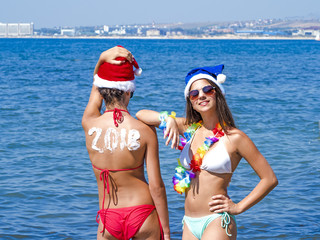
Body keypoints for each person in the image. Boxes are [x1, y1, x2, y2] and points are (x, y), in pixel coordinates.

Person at [136, 64, 278, 239]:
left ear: (218, 93)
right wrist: (168, 119)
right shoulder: (189, 128)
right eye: (194, 94)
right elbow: (141, 114)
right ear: (191, 102)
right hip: (188, 222)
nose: (201, 95)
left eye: (207, 90)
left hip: (216, 221)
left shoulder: (235, 137)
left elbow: (269, 179)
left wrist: (238, 207)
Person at [82, 46, 170, 240]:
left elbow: (95, 85)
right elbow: (156, 186)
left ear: (102, 92)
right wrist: (166, 230)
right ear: (129, 91)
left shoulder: (89, 123)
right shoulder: (145, 130)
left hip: (109, 215)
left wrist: (102, 59)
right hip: (143, 212)